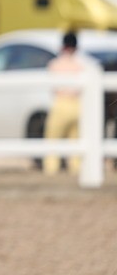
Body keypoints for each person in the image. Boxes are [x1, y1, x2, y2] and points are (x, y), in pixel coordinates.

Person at [44, 31, 84, 175]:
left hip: (61, 103)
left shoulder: (55, 64)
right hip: (77, 104)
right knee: (76, 140)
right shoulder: (80, 65)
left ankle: (51, 169)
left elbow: (52, 87)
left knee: (53, 139)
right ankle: (76, 169)